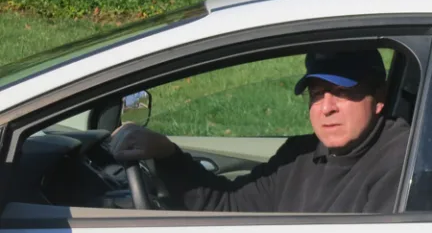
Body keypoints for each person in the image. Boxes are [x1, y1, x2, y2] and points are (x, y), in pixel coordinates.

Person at [110, 48, 410, 213]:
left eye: (341, 92)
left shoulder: (402, 159)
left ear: (379, 98)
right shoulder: (300, 155)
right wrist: (166, 152)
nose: (326, 107)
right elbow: (229, 207)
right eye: (317, 94)